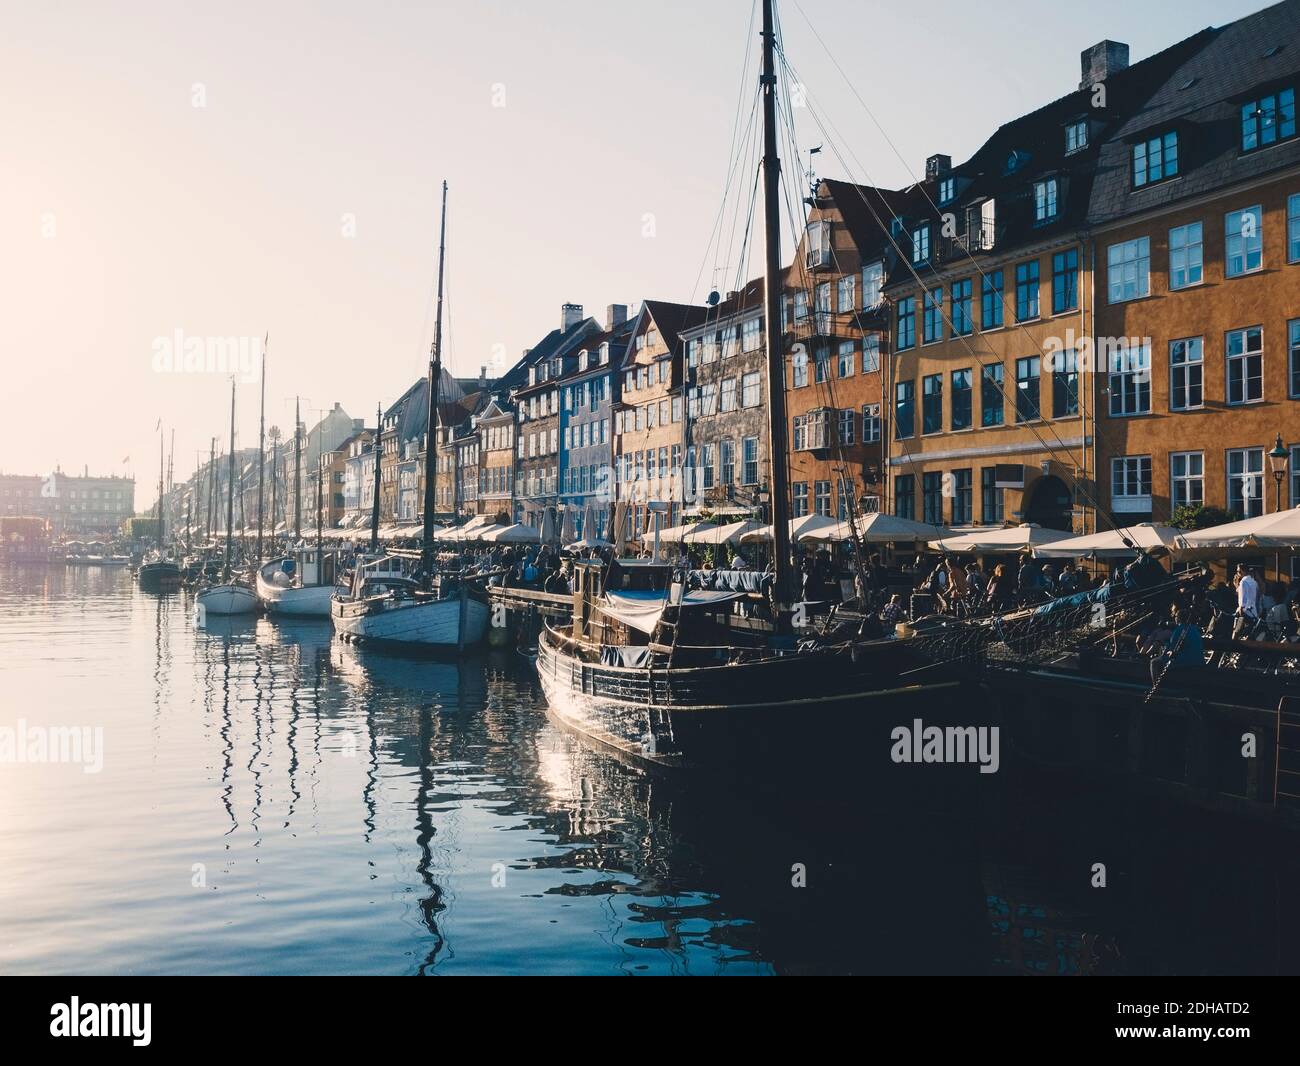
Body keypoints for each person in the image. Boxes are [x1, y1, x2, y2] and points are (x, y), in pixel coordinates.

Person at [1149, 605, 1205, 684]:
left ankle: (1156, 686)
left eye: (1175, 616)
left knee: (1154, 662)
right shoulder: (1194, 629)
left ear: (1178, 618)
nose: (1174, 618)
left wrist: (1162, 655)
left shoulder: (1179, 630)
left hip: (1187, 661)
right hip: (1199, 661)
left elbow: (1172, 649)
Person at [1233, 563, 1260, 638]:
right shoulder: (1254, 582)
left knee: (1236, 633)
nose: (1238, 574)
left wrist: (1241, 610)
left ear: (1242, 571)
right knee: (1249, 634)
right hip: (1253, 611)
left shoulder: (1243, 582)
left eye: (1238, 571)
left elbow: (1243, 598)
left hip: (1244, 611)